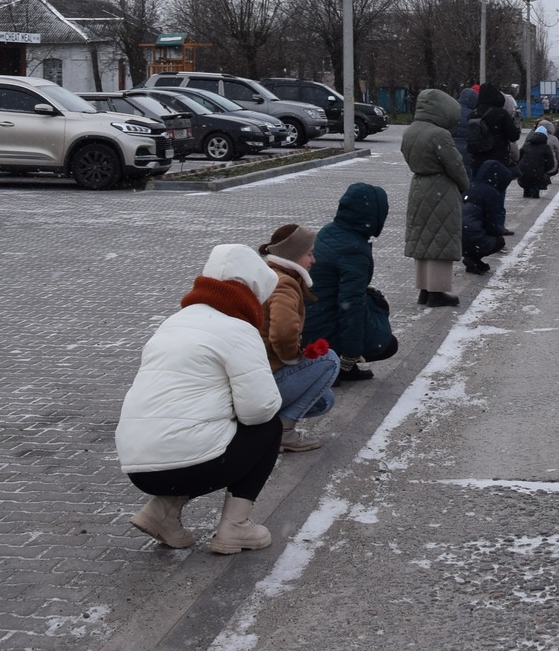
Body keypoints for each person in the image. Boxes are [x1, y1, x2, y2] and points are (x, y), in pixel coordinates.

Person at [118, 244, 283, 554]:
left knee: (188, 434)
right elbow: (260, 409)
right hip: (187, 465)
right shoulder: (238, 329)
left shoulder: (173, 322)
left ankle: (161, 513)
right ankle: (235, 528)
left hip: (137, 465)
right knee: (269, 427)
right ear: (255, 289)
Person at [258, 223, 341, 452]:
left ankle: (265, 429)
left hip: (256, 376)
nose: (313, 260)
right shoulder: (284, 282)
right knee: (330, 360)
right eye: (309, 253)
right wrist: (294, 359)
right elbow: (283, 333)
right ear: (294, 256)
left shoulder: (268, 275)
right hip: (266, 378)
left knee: (325, 399)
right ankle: (283, 432)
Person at [304, 182, 391, 383]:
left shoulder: (330, 231)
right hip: (321, 330)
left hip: (311, 321)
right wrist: (350, 356)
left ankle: (333, 358)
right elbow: (351, 305)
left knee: (371, 300)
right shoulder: (353, 249)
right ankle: (337, 365)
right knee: (386, 342)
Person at [403, 88, 469, 309]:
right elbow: (455, 165)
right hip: (440, 188)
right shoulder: (440, 134)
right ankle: (437, 292)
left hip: (419, 186)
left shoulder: (411, 130)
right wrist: (464, 185)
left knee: (424, 239)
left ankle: (424, 289)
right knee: (441, 239)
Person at [462, 160, 515, 274]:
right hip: (472, 237)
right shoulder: (491, 193)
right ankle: (474, 258)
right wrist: (499, 231)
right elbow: (492, 225)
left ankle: (471, 257)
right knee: (499, 241)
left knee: (471, 234)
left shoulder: (469, 186)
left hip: (455, 238)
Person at [516, 125, 554, 198]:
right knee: (540, 175)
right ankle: (536, 188)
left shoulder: (526, 144)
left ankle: (526, 189)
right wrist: (544, 170)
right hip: (538, 173)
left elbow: (518, 157)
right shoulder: (546, 147)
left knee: (527, 176)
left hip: (523, 172)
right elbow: (550, 163)